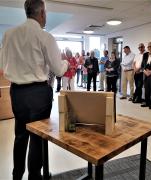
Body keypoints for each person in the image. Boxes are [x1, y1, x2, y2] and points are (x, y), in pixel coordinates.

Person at [0, 0, 68, 179]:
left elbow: (3, 65)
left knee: (20, 135)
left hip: (17, 93)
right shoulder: (45, 36)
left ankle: (17, 175)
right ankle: (35, 176)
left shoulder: (8, 34)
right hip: (38, 93)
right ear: (42, 13)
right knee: (37, 137)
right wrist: (66, 62)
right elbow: (58, 69)